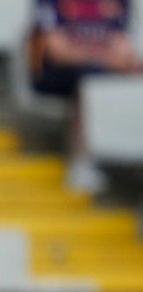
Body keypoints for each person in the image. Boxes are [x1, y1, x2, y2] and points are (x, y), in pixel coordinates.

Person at [29, 0, 143, 193]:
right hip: (51, 72)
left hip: (98, 68)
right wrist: (105, 58)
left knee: (122, 73)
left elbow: (122, 48)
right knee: (90, 78)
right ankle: (82, 160)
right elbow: (57, 49)